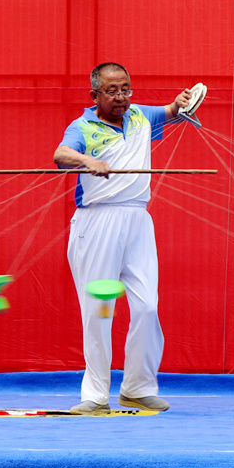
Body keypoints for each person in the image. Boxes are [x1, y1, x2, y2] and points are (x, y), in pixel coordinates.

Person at [53, 63, 191, 415]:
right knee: (97, 311)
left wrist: (182, 103)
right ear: (94, 95)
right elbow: (61, 156)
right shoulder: (82, 127)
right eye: (112, 91)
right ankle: (95, 395)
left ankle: (137, 388)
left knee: (147, 306)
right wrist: (87, 160)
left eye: (125, 90)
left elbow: (173, 112)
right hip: (97, 221)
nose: (121, 97)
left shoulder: (140, 116)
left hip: (138, 220)